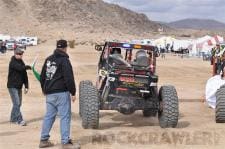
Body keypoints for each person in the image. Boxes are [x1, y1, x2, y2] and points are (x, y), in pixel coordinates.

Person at [39, 40, 79, 149]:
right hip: (61, 93)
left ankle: (43, 140)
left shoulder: (49, 59)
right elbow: (68, 77)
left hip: (49, 93)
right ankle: (65, 143)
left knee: (49, 116)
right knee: (65, 117)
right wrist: (73, 92)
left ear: (57, 47)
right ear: (66, 48)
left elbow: (42, 76)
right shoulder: (64, 60)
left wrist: (44, 88)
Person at [7, 48, 31, 126]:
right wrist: (27, 66)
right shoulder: (12, 62)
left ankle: (13, 118)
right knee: (16, 103)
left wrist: (26, 86)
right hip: (12, 86)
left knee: (18, 104)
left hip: (19, 86)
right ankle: (19, 120)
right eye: (19, 54)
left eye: (21, 54)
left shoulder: (21, 62)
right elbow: (20, 68)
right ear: (15, 54)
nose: (21, 55)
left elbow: (24, 75)